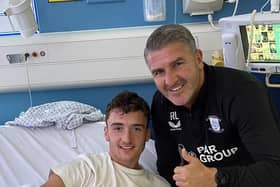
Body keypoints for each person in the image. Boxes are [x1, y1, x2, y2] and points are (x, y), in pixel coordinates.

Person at [143, 24, 280, 187]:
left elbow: (275, 171)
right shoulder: (161, 104)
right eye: (159, 72)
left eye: (178, 64)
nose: (170, 80)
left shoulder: (242, 92)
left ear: (198, 59)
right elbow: (167, 169)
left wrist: (214, 178)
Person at [41, 91, 171, 187]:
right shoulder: (87, 168)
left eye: (136, 129)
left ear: (147, 134)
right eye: (118, 128)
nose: (126, 139)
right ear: (106, 133)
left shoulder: (159, 185)